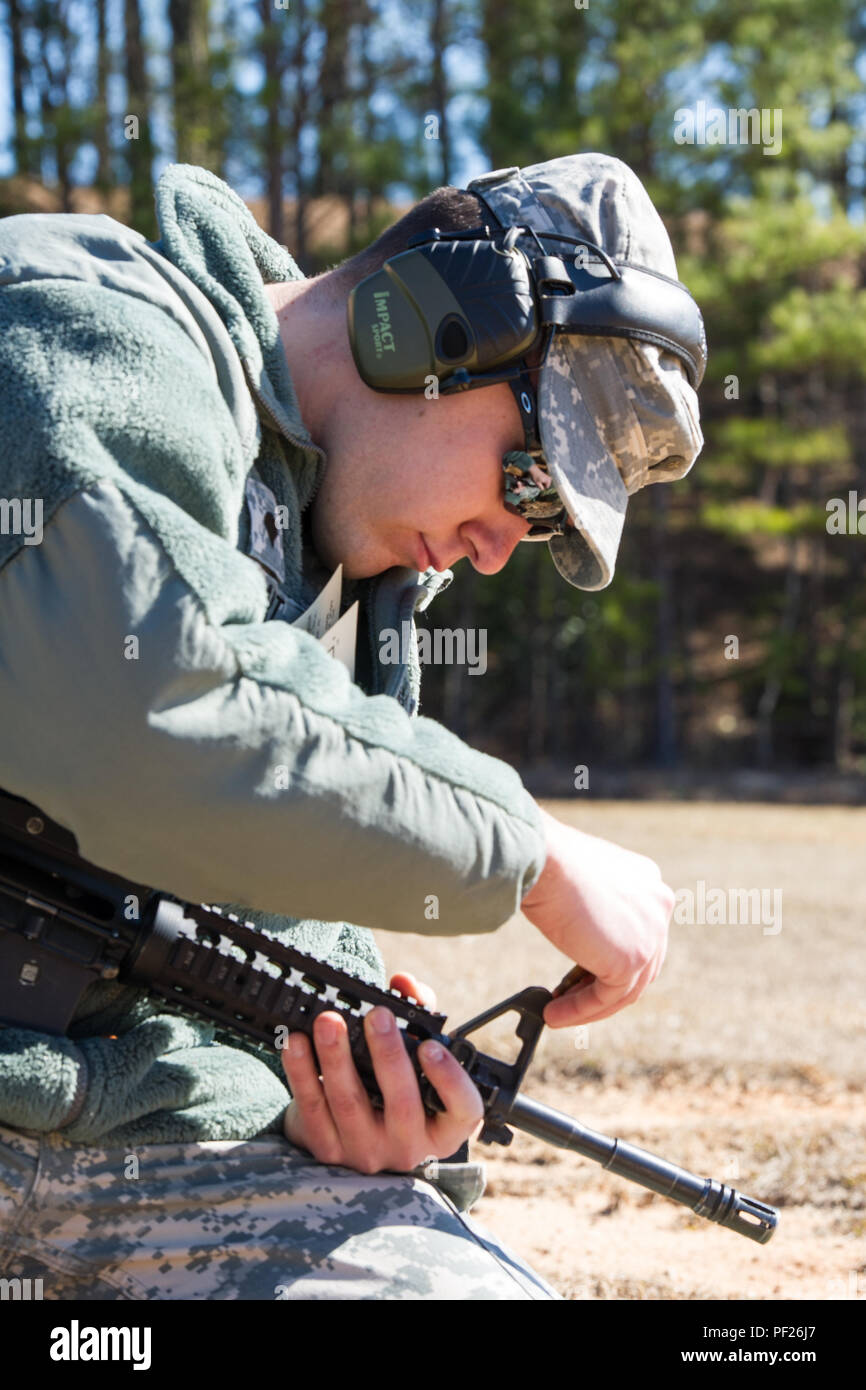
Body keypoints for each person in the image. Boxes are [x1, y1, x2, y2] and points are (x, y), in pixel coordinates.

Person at [0, 153, 702, 1300]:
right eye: (529, 479)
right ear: (429, 323)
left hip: (130, 1146)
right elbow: (145, 710)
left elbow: (266, 920)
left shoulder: (356, 586)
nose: (498, 547)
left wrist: (352, 1108)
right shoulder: (87, 324)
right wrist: (526, 849)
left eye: (540, 522)